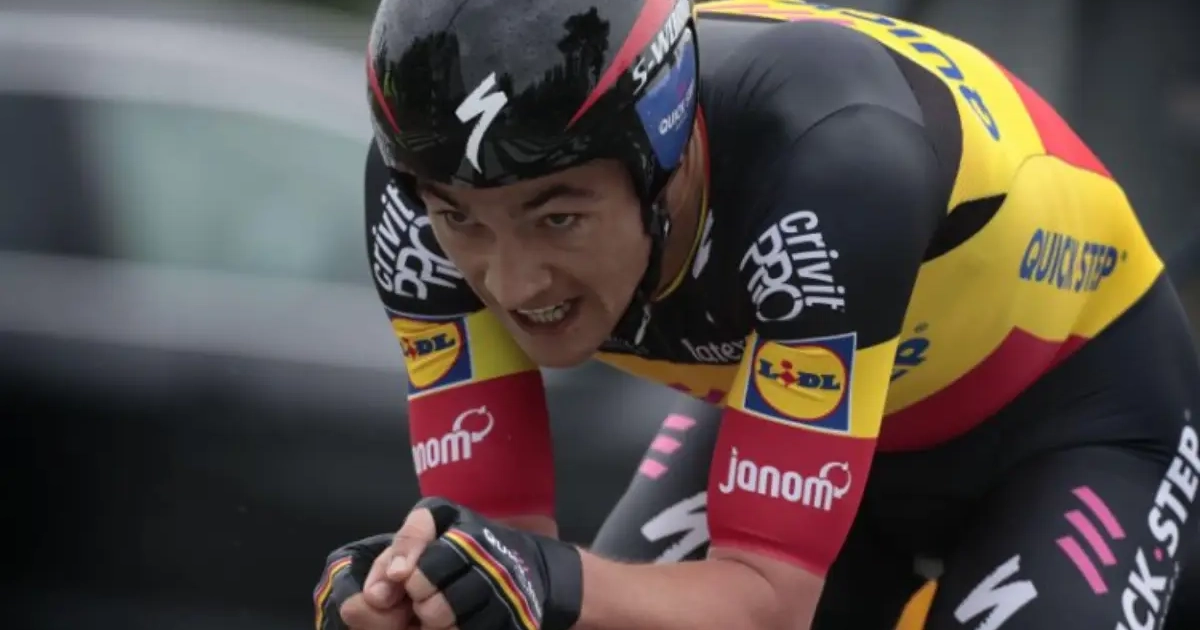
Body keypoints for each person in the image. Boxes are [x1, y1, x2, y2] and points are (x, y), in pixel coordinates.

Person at [313, 0, 1200, 628]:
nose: (511, 281)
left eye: (558, 218)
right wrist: (426, 591)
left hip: (1076, 415)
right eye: (462, 220)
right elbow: (502, 557)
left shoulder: (828, 159)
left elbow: (764, 606)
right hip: (807, 399)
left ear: (663, 161)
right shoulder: (418, 196)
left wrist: (538, 581)